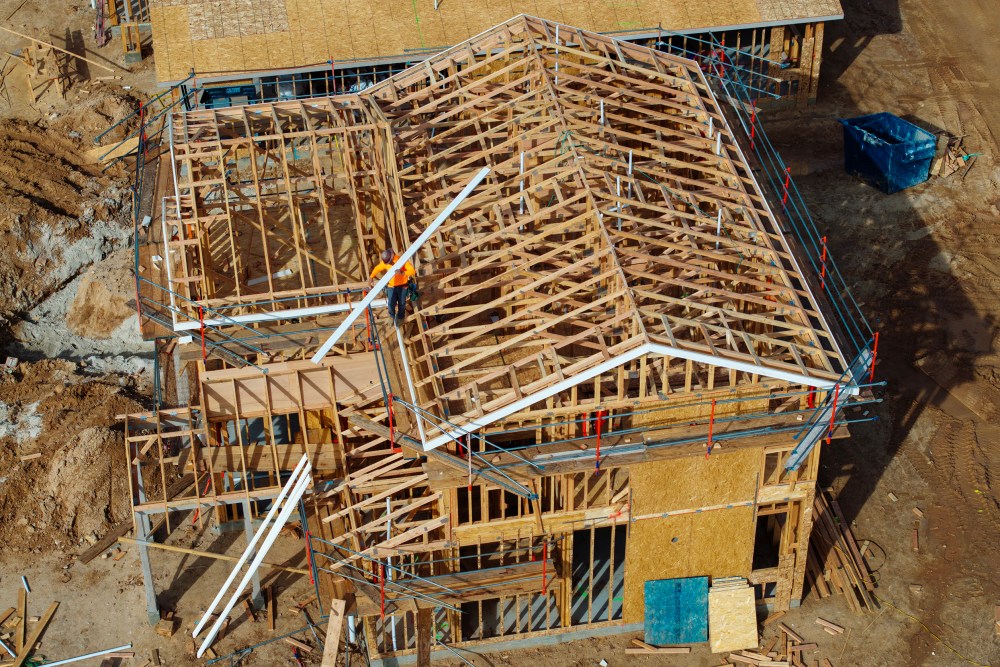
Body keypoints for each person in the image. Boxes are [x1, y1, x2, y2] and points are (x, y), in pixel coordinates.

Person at [369, 248, 415, 326]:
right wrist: (371, 277)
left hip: (402, 286)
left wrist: (403, 272)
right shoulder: (386, 262)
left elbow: (412, 271)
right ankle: (391, 316)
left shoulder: (402, 260)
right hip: (391, 286)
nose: (387, 265)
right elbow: (377, 268)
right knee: (390, 303)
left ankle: (400, 317)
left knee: (402, 303)